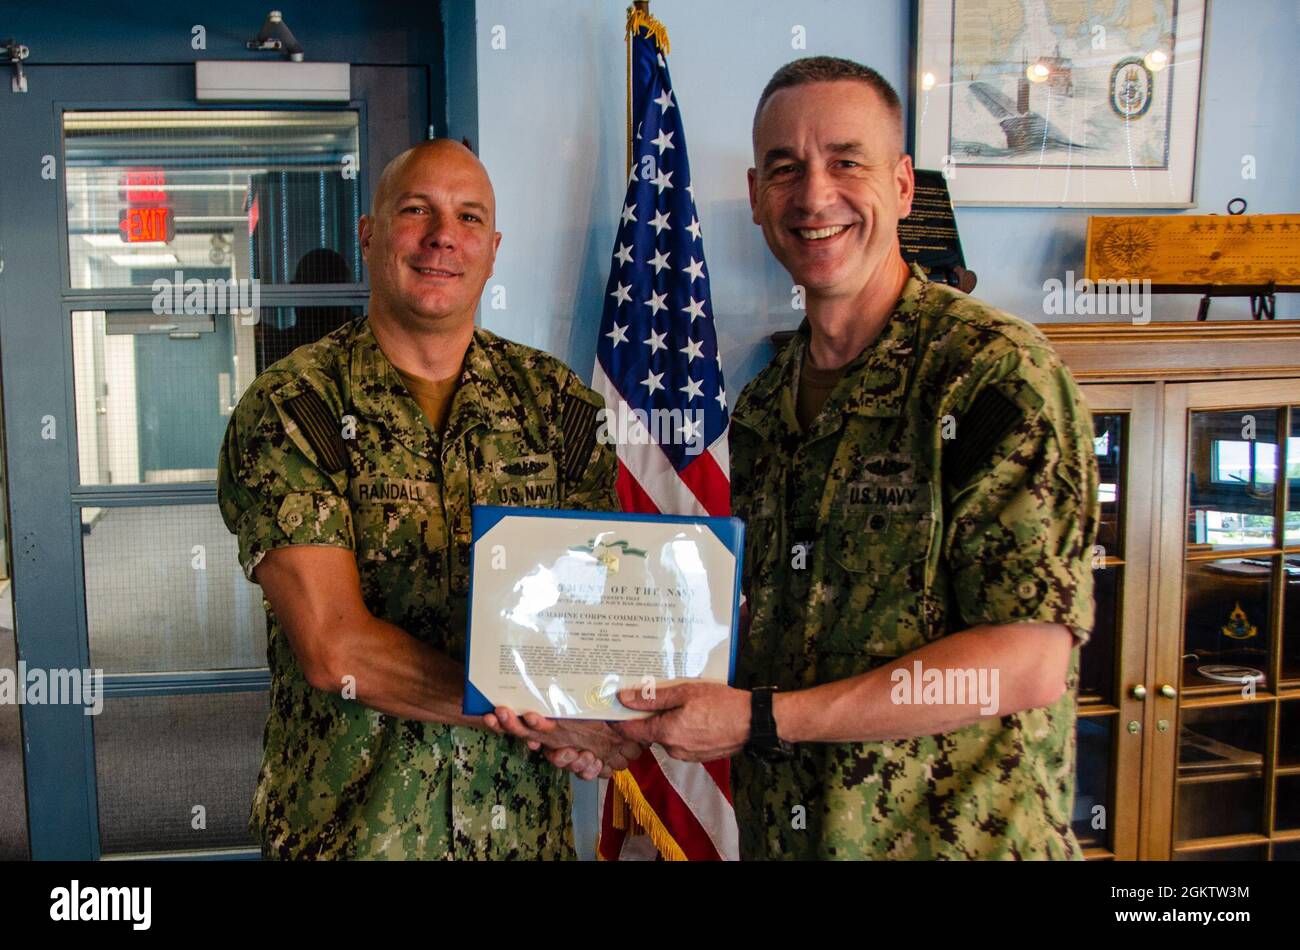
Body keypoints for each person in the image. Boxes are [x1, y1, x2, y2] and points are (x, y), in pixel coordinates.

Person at [614, 57, 1100, 860]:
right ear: (757, 197)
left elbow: (1025, 662)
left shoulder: (991, 377)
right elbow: (749, 638)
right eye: (785, 170)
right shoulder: (765, 410)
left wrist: (765, 718)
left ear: (903, 187)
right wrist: (607, 713)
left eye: (847, 161)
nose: (814, 196)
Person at [217, 139, 639, 860]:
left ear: (494, 248)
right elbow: (334, 650)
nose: (445, 235)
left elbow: (587, 618)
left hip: (519, 837)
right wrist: (547, 718)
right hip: (351, 836)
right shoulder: (295, 407)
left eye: (469, 217)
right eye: (417, 211)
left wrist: (601, 711)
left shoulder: (557, 405)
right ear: (370, 233)